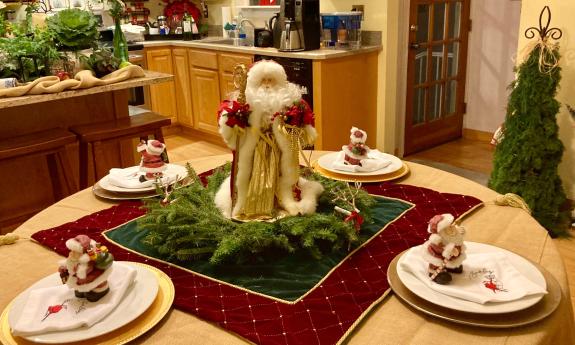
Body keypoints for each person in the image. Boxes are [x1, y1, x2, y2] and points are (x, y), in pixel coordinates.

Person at [215, 60, 323, 220]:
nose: (266, 85)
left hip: (280, 149)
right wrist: (232, 120)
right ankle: (255, 204)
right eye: (262, 81)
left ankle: (284, 200)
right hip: (255, 150)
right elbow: (226, 115)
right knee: (252, 178)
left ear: (279, 81)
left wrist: (296, 126)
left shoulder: (291, 101)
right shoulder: (244, 100)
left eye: (271, 80)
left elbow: (305, 121)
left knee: (284, 175)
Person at [58, 235, 114, 302]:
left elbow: (86, 274)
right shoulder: (72, 260)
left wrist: (80, 272)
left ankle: (99, 291)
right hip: (79, 281)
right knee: (79, 292)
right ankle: (81, 290)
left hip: (90, 280)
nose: (71, 253)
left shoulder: (88, 264)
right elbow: (69, 265)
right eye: (72, 250)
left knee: (95, 288)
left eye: (75, 252)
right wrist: (65, 268)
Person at [421, 214, 466, 285]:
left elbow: (458, 241)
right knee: (437, 263)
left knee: (455, 262)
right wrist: (449, 249)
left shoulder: (452, 232)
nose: (451, 227)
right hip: (439, 257)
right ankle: (435, 272)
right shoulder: (437, 241)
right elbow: (441, 252)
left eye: (450, 224)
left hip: (451, 257)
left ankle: (450, 266)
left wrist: (460, 234)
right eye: (447, 227)